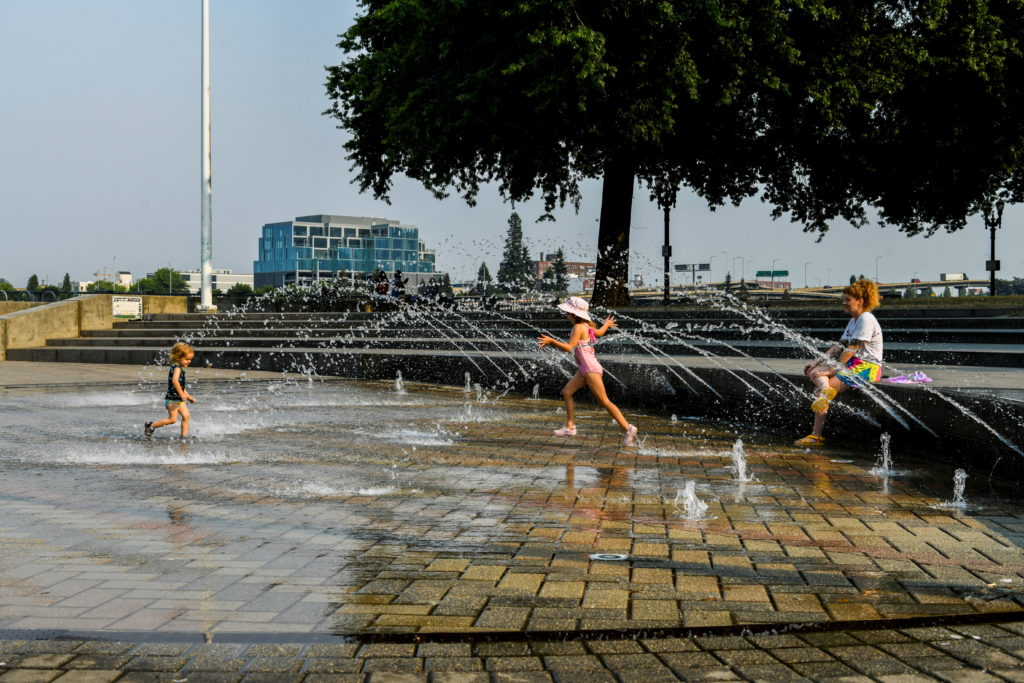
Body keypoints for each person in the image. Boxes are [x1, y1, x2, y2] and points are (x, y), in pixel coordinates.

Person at [537, 296, 639, 447]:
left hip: (590, 369)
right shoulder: (586, 326)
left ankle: (628, 428)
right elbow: (599, 333)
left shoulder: (578, 328)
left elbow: (569, 347)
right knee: (567, 392)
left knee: (604, 401)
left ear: (574, 314)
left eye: (567, 313)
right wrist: (606, 325)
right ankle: (570, 427)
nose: (566, 315)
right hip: (585, 368)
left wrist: (551, 341)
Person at [794, 279, 883, 446]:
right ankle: (826, 390)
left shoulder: (866, 319)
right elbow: (839, 347)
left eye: (847, 300)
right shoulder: (853, 321)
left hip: (869, 368)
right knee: (815, 373)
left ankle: (816, 436)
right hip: (855, 364)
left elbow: (851, 349)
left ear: (860, 301)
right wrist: (816, 362)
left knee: (819, 387)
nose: (844, 303)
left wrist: (831, 371)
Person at [145, 342, 198, 440]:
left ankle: (184, 435)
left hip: (179, 399)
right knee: (173, 420)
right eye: (187, 359)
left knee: (186, 415)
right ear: (178, 357)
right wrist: (182, 394)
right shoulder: (177, 368)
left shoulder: (180, 368)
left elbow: (181, 386)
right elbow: (174, 381)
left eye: (190, 359)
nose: (189, 361)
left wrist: (189, 397)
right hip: (172, 399)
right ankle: (151, 426)